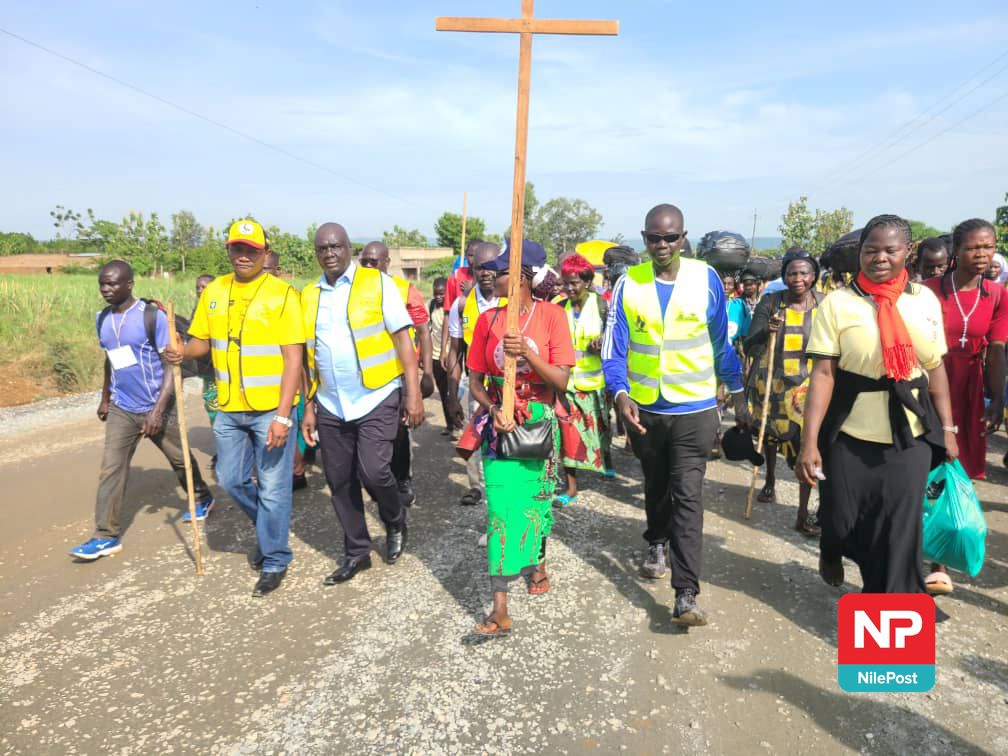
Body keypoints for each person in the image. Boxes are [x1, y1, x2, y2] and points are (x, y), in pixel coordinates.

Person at [602, 204, 751, 626]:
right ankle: (656, 540)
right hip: (646, 410)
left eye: (671, 237)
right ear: (644, 238)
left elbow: (721, 341)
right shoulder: (628, 284)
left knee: (688, 494)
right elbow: (614, 348)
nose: (662, 245)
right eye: (654, 238)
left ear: (684, 237)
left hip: (697, 409)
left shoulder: (706, 280)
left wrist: (736, 392)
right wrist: (619, 393)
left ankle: (686, 592)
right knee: (656, 486)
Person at [797, 214, 958, 595]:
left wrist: (948, 430)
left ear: (909, 252)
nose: (880, 258)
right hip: (849, 432)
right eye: (871, 250)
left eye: (890, 249)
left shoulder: (925, 302)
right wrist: (809, 442)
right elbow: (823, 374)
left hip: (910, 435)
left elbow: (935, 369)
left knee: (900, 532)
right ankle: (832, 548)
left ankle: (889, 611)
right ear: (860, 254)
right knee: (840, 520)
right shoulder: (837, 303)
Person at [166, 219, 304, 598]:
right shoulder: (214, 290)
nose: (243, 255)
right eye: (236, 248)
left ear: (263, 251)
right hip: (228, 407)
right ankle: (269, 528)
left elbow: (294, 359)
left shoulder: (283, 295)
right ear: (228, 251)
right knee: (229, 479)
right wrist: (181, 350)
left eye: (251, 249)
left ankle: (275, 557)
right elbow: (201, 343)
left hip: (269, 410)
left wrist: (282, 416)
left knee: (274, 488)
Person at [300, 223, 424, 584]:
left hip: (378, 395)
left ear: (349, 248)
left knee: (374, 471)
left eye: (336, 246)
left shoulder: (378, 283)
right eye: (322, 248)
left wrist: (412, 394)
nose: (329, 253)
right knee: (339, 481)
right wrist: (308, 406)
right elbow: (308, 356)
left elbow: (404, 340)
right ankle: (357, 551)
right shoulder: (309, 294)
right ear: (317, 253)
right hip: (330, 402)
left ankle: (394, 516)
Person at [465, 240, 575, 636]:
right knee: (498, 512)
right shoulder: (487, 321)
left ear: (525, 276)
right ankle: (500, 609)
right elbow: (475, 382)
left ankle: (537, 562)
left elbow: (562, 379)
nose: (491, 275)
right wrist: (494, 410)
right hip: (500, 425)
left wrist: (527, 356)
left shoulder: (552, 318)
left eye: (503, 269)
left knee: (536, 506)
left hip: (541, 423)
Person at [70, 261, 215, 561]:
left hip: (157, 404)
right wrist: (105, 397)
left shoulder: (152, 317)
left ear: (129, 284)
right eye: (102, 284)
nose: (106, 289)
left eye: (112, 284)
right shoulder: (102, 318)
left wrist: (158, 411)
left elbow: (170, 364)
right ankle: (105, 535)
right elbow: (110, 359)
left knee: (178, 459)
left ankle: (201, 496)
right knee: (111, 467)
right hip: (123, 407)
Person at [921, 219, 1007, 596]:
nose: (983, 254)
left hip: (969, 386)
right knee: (923, 464)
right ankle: (920, 550)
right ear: (956, 250)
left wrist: (996, 398)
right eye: (974, 247)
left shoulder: (998, 295)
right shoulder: (927, 291)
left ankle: (941, 555)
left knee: (958, 469)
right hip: (927, 384)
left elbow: (998, 351)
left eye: (989, 247)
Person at [743, 248, 824, 535]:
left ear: (814, 276)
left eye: (804, 273)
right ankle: (770, 481)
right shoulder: (771, 302)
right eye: (792, 273)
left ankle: (802, 514)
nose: (798, 278)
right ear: (784, 276)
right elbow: (749, 343)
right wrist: (767, 329)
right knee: (772, 436)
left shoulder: (823, 304)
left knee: (806, 445)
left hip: (806, 387)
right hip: (772, 383)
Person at [358, 241, 434, 507]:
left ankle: (402, 480)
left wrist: (428, 373)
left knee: (401, 432)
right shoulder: (351, 291)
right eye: (364, 261)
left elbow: (423, 331)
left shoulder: (403, 289)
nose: (368, 266)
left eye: (374, 262)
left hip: (400, 374)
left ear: (387, 263)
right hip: (365, 376)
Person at [445, 242, 506, 506]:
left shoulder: (511, 300)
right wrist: (451, 395)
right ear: (472, 269)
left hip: (509, 384)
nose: (486, 273)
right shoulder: (462, 305)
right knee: (477, 434)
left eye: (492, 267)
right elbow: (455, 351)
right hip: (477, 385)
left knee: (508, 437)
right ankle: (477, 486)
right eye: (480, 267)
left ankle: (504, 485)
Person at [555, 252, 613, 507]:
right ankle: (571, 486)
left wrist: (602, 343)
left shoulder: (601, 306)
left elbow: (615, 341)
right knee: (567, 434)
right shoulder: (559, 308)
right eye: (566, 282)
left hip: (595, 385)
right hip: (566, 385)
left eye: (574, 283)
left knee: (600, 432)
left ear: (587, 283)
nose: (569, 288)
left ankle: (606, 459)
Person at [429, 276, 457, 435]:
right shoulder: (431, 306)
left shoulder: (453, 308)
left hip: (451, 355)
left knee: (453, 392)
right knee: (442, 391)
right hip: (435, 356)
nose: (438, 296)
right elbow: (428, 329)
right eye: (435, 293)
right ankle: (450, 425)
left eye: (441, 293)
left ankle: (458, 423)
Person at [442, 237, 484, 317]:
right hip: (460, 326)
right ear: (465, 255)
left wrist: (473, 289)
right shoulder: (456, 277)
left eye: (478, 255)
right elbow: (448, 311)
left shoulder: (490, 278)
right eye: (470, 255)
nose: (473, 260)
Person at [727, 270, 760, 352]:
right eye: (745, 285)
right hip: (741, 345)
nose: (748, 287)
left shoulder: (763, 302)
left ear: (757, 284)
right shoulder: (737, 303)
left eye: (750, 284)